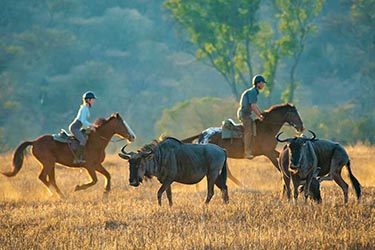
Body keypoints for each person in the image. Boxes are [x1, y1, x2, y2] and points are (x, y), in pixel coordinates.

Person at [237, 75, 266, 159]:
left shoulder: (254, 92)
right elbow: (253, 106)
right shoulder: (253, 92)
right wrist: (259, 116)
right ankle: (247, 152)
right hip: (244, 114)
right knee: (248, 131)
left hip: (246, 114)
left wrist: (260, 114)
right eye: (262, 83)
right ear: (258, 83)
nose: (263, 85)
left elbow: (255, 106)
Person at [69, 91, 97, 164]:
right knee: (83, 140)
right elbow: (83, 121)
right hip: (75, 127)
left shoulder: (86, 108)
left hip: (78, 127)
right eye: (92, 99)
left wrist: (91, 126)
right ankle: (77, 159)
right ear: (88, 100)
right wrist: (91, 125)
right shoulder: (84, 108)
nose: (94, 100)